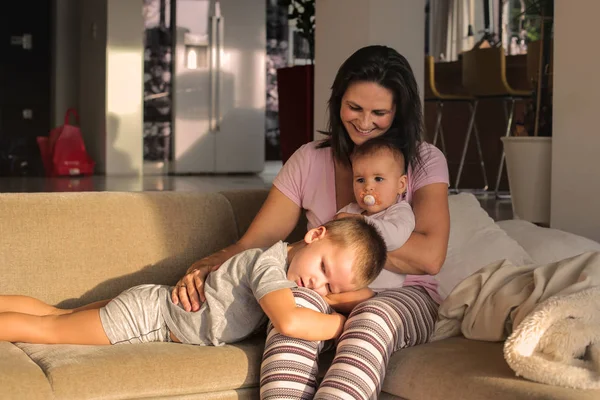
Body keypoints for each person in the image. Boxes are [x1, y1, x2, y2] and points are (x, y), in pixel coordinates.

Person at [173, 45, 450, 400]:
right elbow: (256, 242)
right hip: (320, 291)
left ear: (398, 113)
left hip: (402, 294)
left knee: (372, 320)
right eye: (354, 108)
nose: (365, 123)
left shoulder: (425, 160)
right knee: (293, 317)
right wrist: (206, 265)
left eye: (379, 112)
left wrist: (349, 228)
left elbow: (429, 258)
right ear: (338, 102)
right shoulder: (308, 159)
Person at [0, 218, 387, 347]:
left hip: (151, 302)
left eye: (328, 287)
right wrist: (346, 325)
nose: (315, 285)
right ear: (315, 234)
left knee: (55, 314)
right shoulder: (270, 270)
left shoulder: (278, 264)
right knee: (46, 330)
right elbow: (290, 322)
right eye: (321, 268)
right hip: (148, 321)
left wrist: (342, 297)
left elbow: (364, 292)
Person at [334, 136, 416, 295]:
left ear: (400, 185)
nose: (368, 187)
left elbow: (395, 238)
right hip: (347, 284)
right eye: (360, 180)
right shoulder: (351, 210)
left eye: (378, 179)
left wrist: (359, 222)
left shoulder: (399, 212)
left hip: (383, 291)